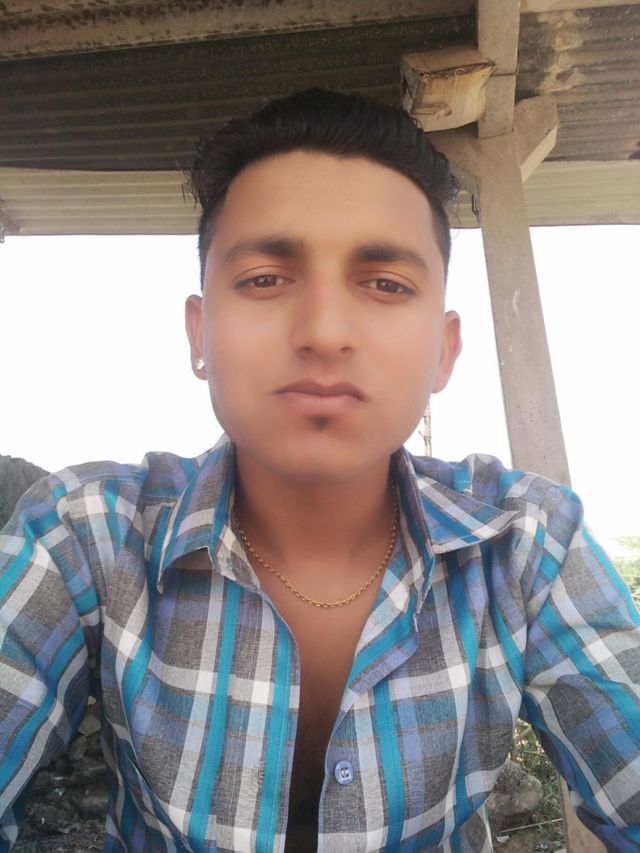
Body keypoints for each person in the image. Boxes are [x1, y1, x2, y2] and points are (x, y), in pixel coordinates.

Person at [1, 88, 639, 853]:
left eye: (386, 284)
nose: (326, 331)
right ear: (200, 335)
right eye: (266, 278)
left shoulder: (527, 543)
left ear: (443, 351)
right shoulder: (85, 537)